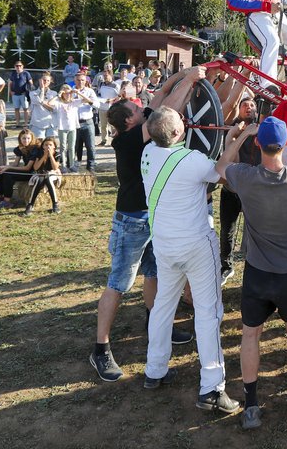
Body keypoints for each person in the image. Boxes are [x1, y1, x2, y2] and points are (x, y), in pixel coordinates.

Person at [89, 68, 203, 383]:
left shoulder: (137, 126)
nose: (144, 108)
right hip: (131, 221)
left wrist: (182, 75)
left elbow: (161, 94)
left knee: (154, 274)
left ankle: (155, 324)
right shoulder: (128, 140)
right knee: (119, 283)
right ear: (129, 121)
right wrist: (191, 81)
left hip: (153, 217)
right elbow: (168, 109)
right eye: (138, 110)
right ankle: (101, 348)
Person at [217, 118, 287, 429]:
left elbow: (221, 167)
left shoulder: (244, 177)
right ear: (284, 145)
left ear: (258, 145)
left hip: (258, 273)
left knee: (250, 334)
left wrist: (241, 135)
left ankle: (252, 405)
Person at [140, 106, 238, 415]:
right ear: (178, 133)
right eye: (181, 121)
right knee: (209, 313)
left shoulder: (146, 153)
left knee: (163, 307)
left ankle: (154, 370)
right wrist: (237, 137)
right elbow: (221, 172)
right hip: (196, 245)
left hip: (165, 246)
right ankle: (212, 387)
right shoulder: (190, 160)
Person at [217, 96, 260, 285]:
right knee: (227, 229)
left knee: (256, 231)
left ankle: (255, 266)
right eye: (245, 105)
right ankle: (226, 266)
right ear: (239, 110)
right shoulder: (231, 128)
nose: (249, 108)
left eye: (252, 105)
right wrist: (233, 137)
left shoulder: (262, 129)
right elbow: (229, 165)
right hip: (232, 190)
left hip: (253, 191)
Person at [0, 129, 40, 209]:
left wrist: (8, 168)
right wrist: (4, 167)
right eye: (23, 138)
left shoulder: (35, 149)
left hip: (32, 173)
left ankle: (7, 201)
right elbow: (15, 163)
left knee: (8, 175)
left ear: (32, 138)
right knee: (0, 172)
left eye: (28, 138)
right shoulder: (20, 148)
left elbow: (27, 168)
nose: (26, 140)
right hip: (25, 170)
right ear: (20, 139)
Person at [44, 85, 82, 172]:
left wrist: (77, 92)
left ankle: (71, 164)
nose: (67, 95)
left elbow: (87, 100)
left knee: (72, 147)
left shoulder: (74, 102)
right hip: (62, 127)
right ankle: (64, 165)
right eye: (65, 93)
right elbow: (48, 103)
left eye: (69, 93)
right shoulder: (58, 102)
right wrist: (58, 95)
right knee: (63, 147)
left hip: (72, 127)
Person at [22, 137, 62, 216]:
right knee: (39, 180)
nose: (48, 147)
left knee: (49, 179)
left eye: (50, 145)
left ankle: (55, 204)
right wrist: (44, 156)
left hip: (52, 173)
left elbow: (55, 168)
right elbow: (36, 167)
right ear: (43, 146)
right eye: (46, 145)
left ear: (54, 146)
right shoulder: (39, 154)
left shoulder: (57, 154)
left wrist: (50, 155)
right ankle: (30, 205)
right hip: (40, 173)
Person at [73, 72, 100, 172]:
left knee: (90, 146)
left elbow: (97, 105)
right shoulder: (71, 91)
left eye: (82, 80)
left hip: (87, 121)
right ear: (74, 80)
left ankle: (91, 166)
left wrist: (87, 100)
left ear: (86, 81)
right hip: (74, 122)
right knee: (74, 145)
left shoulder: (90, 91)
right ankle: (74, 163)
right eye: (78, 80)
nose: (80, 82)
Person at [29, 73, 57, 139]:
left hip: (51, 123)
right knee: (38, 144)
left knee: (51, 144)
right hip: (37, 123)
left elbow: (54, 108)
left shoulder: (54, 93)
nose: (46, 82)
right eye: (44, 80)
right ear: (40, 80)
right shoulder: (33, 93)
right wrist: (42, 90)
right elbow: (38, 101)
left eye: (48, 81)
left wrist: (42, 103)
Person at [7, 62, 33, 128]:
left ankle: (26, 123)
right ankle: (17, 123)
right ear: (15, 66)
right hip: (15, 94)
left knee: (25, 109)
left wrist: (28, 92)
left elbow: (31, 83)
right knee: (16, 109)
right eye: (17, 66)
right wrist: (10, 91)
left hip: (23, 94)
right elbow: (10, 83)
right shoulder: (13, 73)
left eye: (20, 65)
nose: (18, 67)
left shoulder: (26, 73)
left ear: (22, 66)